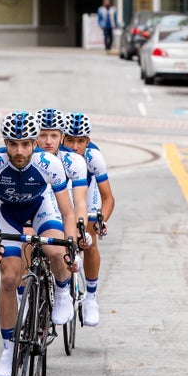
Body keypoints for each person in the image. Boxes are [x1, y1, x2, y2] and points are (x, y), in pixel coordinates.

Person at [0, 111, 82, 376]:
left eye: (25, 144)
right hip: (7, 214)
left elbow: (68, 213)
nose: (19, 151)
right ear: (5, 142)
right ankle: (9, 349)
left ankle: (61, 292)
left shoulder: (50, 164)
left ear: (34, 142)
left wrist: (68, 246)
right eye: (12, 144)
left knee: (55, 250)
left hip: (41, 209)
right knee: (9, 278)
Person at [63, 112, 115, 327]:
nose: (75, 147)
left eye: (80, 141)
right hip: (63, 189)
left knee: (89, 234)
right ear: (61, 138)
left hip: (87, 189)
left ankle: (91, 297)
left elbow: (108, 198)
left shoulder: (93, 157)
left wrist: (102, 221)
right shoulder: (55, 154)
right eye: (70, 141)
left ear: (88, 141)